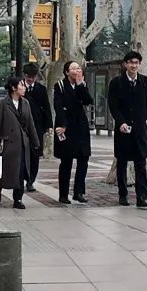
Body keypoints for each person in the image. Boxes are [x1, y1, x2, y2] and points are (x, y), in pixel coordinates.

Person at [108, 50, 147, 208]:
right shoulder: (116, 83)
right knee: (122, 163)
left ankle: (142, 197)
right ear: (125, 64)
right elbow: (113, 105)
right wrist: (121, 122)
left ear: (139, 64)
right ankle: (123, 195)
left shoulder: (144, 81)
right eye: (130, 63)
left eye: (136, 63)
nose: (133, 66)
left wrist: (144, 117)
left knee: (140, 163)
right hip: (123, 129)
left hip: (139, 129)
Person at [0, 76, 40, 210]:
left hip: (22, 144)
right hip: (7, 145)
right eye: (21, 85)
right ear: (13, 88)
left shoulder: (25, 103)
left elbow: (30, 124)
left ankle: (18, 199)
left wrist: (35, 142)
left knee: (21, 172)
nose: (24, 88)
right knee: (5, 173)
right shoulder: (1, 104)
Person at [54, 60, 94, 204]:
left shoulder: (82, 84)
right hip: (66, 126)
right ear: (67, 72)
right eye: (74, 68)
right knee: (66, 161)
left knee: (84, 159)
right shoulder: (60, 85)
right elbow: (58, 107)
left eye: (79, 68)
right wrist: (63, 125)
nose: (77, 70)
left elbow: (88, 100)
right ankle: (63, 194)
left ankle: (79, 192)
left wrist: (80, 85)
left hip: (81, 126)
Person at [21, 63, 51, 193]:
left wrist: (49, 125)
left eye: (33, 77)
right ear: (24, 75)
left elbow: (47, 108)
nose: (31, 79)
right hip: (22, 127)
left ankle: (30, 181)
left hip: (37, 127)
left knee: (35, 155)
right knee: (22, 154)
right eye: (29, 76)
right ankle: (21, 178)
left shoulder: (41, 89)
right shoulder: (19, 87)